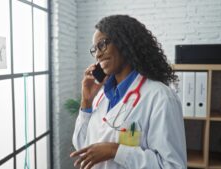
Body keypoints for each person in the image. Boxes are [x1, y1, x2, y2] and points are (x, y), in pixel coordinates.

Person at [70, 15, 187, 169]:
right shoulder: (100, 96)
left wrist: (115, 151)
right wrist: (86, 101)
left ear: (125, 42)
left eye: (103, 44)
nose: (98, 54)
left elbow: (173, 166)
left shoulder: (161, 97)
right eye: (95, 49)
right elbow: (83, 146)